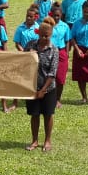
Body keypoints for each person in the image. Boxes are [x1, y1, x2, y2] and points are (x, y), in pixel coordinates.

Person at [26, 20, 59, 151]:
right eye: (42, 35)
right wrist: (29, 55)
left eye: (47, 36)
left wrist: (43, 90)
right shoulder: (30, 45)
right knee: (34, 115)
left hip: (48, 89)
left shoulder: (54, 50)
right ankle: (34, 141)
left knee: (48, 114)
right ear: (38, 33)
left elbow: (52, 73)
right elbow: (22, 62)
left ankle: (47, 141)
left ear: (51, 34)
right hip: (32, 87)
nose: (44, 38)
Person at [47, 5, 72, 108]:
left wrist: (66, 53)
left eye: (58, 15)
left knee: (60, 78)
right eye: (54, 15)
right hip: (49, 52)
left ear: (61, 15)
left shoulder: (65, 26)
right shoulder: (47, 25)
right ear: (51, 14)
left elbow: (67, 41)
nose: (56, 17)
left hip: (61, 52)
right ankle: (48, 98)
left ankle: (57, 99)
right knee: (49, 77)